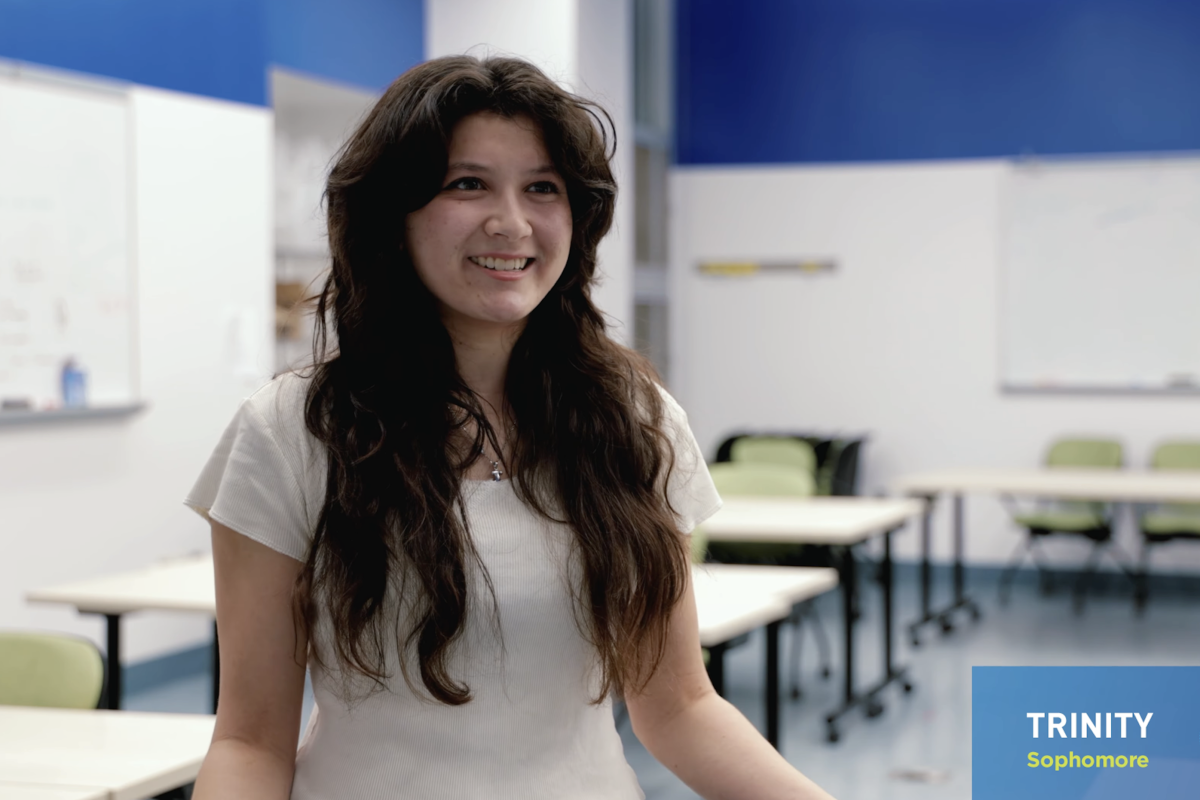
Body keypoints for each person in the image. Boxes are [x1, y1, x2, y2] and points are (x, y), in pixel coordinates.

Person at [185, 55, 837, 800]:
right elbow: (249, 742)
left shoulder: (634, 420)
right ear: (392, 214)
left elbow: (681, 707)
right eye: (468, 184)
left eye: (542, 188)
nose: (511, 222)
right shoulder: (294, 431)